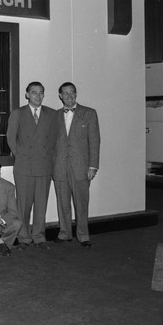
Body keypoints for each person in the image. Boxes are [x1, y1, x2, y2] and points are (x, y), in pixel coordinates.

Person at [6, 81, 57, 250]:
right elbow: (11, 137)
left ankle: (39, 237)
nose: (38, 96)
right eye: (34, 92)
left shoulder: (51, 114)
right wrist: (20, 155)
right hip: (24, 166)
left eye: (41, 92)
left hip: (44, 165)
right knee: (24, 205)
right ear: (27, 94)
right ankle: (24, 238)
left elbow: (54, 139)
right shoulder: (18, 113)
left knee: (41, 204)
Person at [53, 82, 100, 248]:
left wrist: (93, 166)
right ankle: (65, 233)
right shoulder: (55, 115)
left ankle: (83, 235)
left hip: (81, 167)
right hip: (59, 167)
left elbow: (94, 141)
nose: (69, 96)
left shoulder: (89, 113)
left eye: (72, 93)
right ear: (60, 96)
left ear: (76, 94)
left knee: (81, 203)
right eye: (65, 93)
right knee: (62, 203)